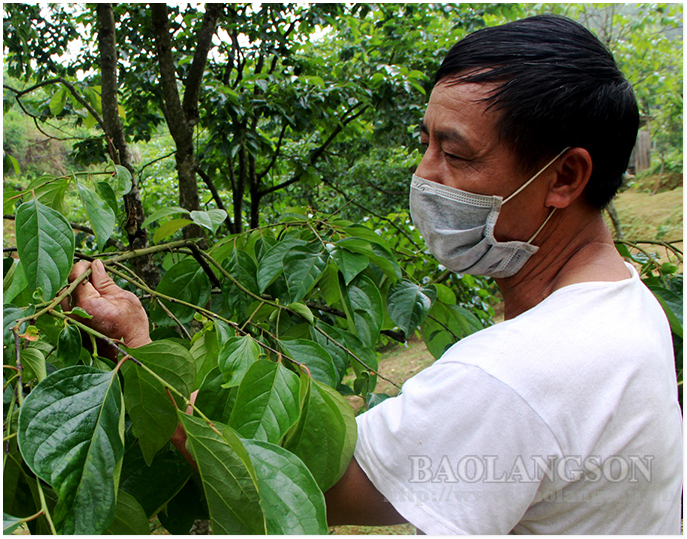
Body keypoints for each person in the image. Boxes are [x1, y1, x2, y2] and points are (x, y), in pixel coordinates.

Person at [67, 14, 681, 535]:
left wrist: (140, 353)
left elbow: (317, 484)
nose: (425, 175)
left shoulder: (516, 372)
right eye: (426, 144)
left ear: (566, 177)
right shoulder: (625, 300)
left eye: (457, 154)